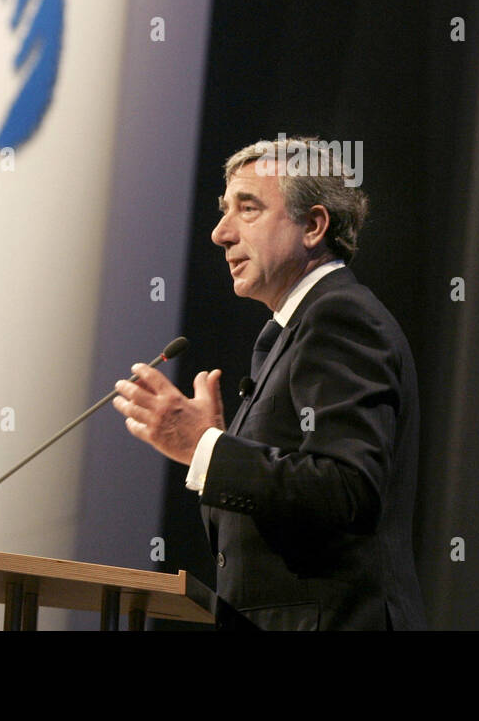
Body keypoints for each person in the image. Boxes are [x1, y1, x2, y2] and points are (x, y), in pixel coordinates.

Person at [113, 136, 426, 629]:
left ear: (314, 225)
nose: (220, 233)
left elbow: (347, 489)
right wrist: (215, 449)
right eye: (223, 211)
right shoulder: (295, 329)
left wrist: (207, 447)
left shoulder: (338, 316)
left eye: (248, 208)